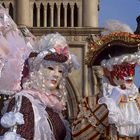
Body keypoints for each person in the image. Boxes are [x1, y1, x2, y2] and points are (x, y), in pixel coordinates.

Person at [0, 32, 79, 140]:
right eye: (50, 68)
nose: (56, 75)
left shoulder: (54, 107)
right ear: (38, 70)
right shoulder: (24, 101)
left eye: (60, 71)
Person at [98, 53, 140, 137]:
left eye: (132, 67)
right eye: (124, 68)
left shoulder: (138, 101)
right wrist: (109, 104)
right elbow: (78, 136)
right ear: (107, 71)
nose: (130, 73)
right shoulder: (90, 102)